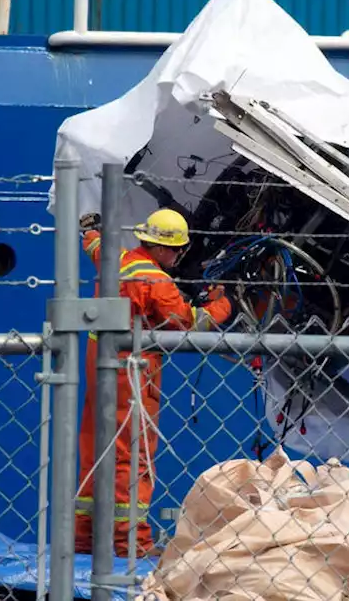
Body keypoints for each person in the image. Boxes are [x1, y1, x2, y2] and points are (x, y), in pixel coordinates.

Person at [74, 208, 234, 557]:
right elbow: (189, 324)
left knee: (94, 450)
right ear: (162, 248)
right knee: (133, 456)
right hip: (132, 369)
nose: (178, 256)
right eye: (176, 249)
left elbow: (94, 244)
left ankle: (83, 539)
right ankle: (132, 542)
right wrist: (222, 304)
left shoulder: (117, 258)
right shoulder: (155, 281)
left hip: (97, 359)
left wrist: (89, 230)